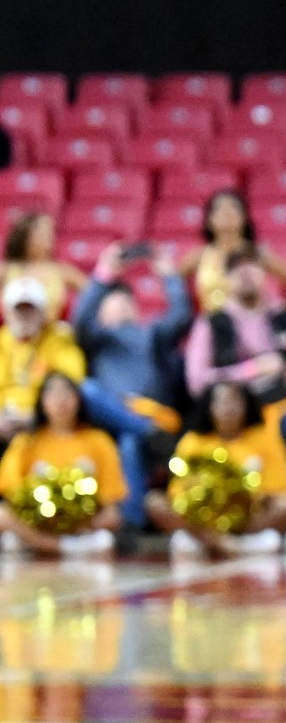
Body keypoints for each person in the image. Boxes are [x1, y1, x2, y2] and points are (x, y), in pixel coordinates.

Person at [184, 247, 286, 552]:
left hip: (280, 406)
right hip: (234, 414)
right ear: (225, 279)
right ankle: (219, 520)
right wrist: (250, 371)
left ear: (266, 276)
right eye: (238, 270)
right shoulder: (212, 322)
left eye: (254, 268)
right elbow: (197, 382)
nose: (247, 275)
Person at [73, 243, 192, 536]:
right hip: (111, 418)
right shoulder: (98, 340)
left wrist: (169, 276)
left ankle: (130, 525)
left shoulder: (151, 333)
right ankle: (145, 432)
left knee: (130, 443)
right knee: (86, 389)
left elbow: (180, 318)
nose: (120, 305)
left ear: (136, 307)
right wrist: (104, 275)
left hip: (153, 415)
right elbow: (79, 322)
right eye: (112, 301)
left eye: (126, 300)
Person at [150, 380, 286, 560]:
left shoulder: (264, 438)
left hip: (249, 518)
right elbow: (177, 493)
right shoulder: (193, 441)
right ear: (210, 407)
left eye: (234, 402)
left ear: (246, 405)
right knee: (154, 502)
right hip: (203, 521)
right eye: (221, 402)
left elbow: (281, 489)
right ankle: (218, 542)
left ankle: (236, 541)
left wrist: (239, 494)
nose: (228, 409)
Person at [0, 372, 123, 558]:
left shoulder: (99, 441)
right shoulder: (26, 443)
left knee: (107, 535)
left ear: (79, 399)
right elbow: (11, 498)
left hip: (82, 529)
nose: (60, 401)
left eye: (67, 394)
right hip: (37, 526)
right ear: (41, 401)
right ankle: (64, 547)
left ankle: (45, 545)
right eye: (53, 394)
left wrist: (75, 520)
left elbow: (112, 513)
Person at [188, 189, 286, 314]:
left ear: (245, 217)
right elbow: (175, 288)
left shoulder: (257, 254)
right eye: (219, 208)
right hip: (213, 329)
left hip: (251, 328)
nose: (226, 212)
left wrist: (281, 316)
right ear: (209, 219)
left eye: (233, 208)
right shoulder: (199, 256)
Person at [0, 279, 83, 440]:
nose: (24, 316)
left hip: (44, 420)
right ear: (7, 312)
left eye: (30, 309)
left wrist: (36, 415)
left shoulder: (58, 339)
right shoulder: (2, 342)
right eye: (18, 310)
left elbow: (72, 380)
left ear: (43, 312)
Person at [1, 212, 85, 324]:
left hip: (51, 336)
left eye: (50, 232)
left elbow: (94, 294)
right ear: (25, 234)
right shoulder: (5, 270)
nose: (49, 236)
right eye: (42, 232)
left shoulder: (63, 272)